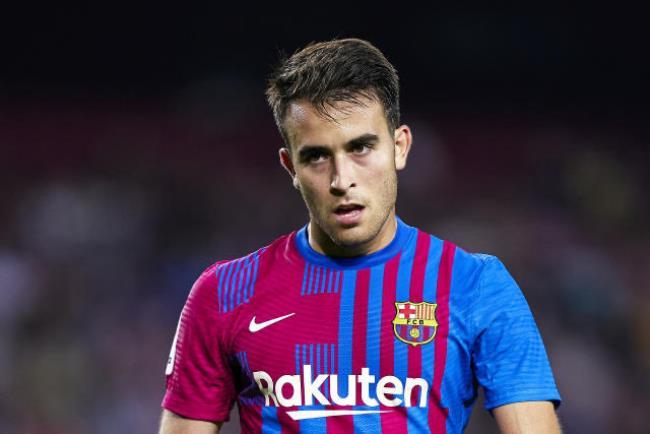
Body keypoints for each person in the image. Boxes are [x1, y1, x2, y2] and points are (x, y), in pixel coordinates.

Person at [158, 38, 562, 434]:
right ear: (290, 167)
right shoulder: (224, 292)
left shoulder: (475, 284)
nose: (342, 179)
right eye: (317, 156)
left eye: (361, 148)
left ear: (400, 147)